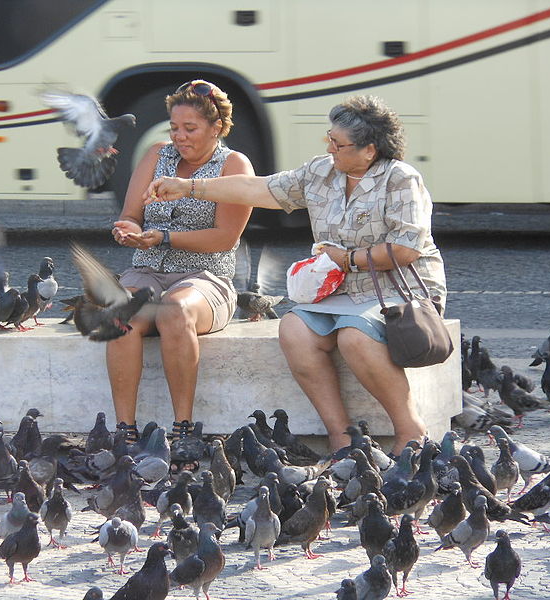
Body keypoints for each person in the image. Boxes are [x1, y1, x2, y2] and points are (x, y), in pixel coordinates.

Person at [144, 95, 447, 454]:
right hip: (339, 290)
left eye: (338, 143)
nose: (330, 147)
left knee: (354, 337)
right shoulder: (322, 172)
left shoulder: (400, 179)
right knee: (293, 329)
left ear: (369, 150)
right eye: (329, 139)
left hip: (399, 290)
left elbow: (405, 249)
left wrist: (347, 259)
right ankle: (341, 436)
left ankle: (409, 430)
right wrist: (190, 187)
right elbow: (258, 188)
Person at [108, 80, 254, 447]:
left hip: (206, 276)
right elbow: (130, 214)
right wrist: (128, 230)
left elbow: (225, 238)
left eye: (190, 129)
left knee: (174, 309)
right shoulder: (157, 155)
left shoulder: (234, 164)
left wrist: (165, 237)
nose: (179, 137)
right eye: (174, 127)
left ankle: (183, 428)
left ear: (215, 128)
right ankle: (124, 430)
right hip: (147, 268)